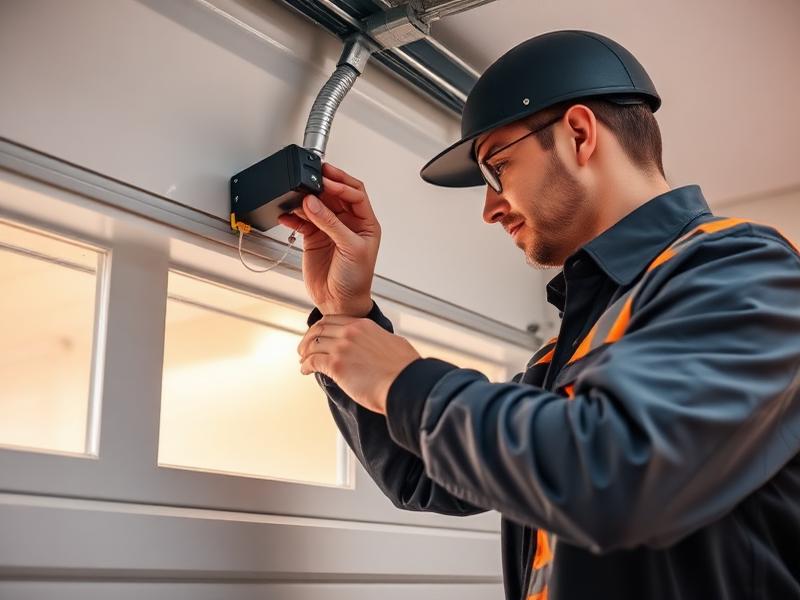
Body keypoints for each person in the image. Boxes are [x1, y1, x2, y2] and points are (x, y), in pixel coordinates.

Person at [277, 30, 800, 600]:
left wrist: (402, 380)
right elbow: (420, 474)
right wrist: (347, 312)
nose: (489, 208)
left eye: (498, 167)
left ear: (579, 134)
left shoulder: (742, 269)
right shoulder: (568, 351)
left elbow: (616, 471)